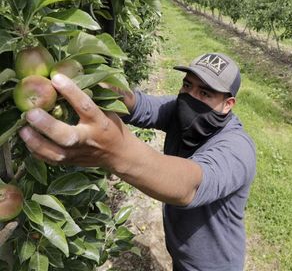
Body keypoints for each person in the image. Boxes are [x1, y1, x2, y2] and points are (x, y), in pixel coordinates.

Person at [19, 52, 256, 271]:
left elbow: (189, 186)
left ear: (228, 104)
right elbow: (137, 104)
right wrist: (94, 83)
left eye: (205, 93)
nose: (190, 97)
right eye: (187, 85)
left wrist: (114, 153)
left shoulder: (237, 148)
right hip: (180, 251)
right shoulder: (178, 112)